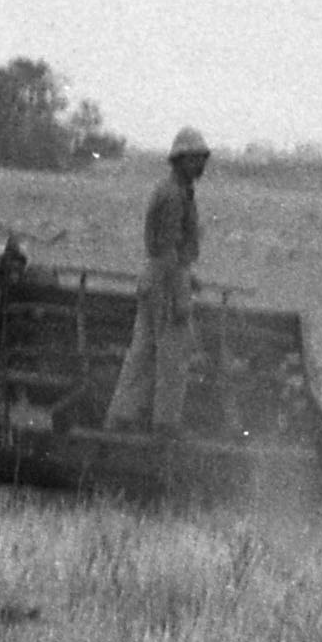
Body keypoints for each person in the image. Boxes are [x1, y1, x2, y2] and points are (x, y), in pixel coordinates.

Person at [109, 129, 210, 430]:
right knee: (172, 356)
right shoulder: (173, 194)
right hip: (165, 281)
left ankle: (122, 416)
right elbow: (166, 249)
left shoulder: (176, 190)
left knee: (142, 353)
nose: (201, 166)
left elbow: (170, 247)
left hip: (160, 278)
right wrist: (181, 291)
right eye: (195, 159)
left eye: (202, 159)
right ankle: (165, 426)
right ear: (179, 161)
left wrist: (187, 276)